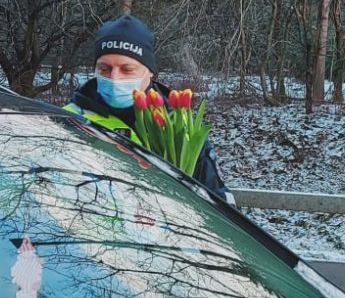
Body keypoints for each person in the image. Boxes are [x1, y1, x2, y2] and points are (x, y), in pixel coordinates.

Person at [65, 15, 229, 200]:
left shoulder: (180, 123)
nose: (114, 78)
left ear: (149, 71)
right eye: (104, 69)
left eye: (127, 70)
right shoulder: (70, 119)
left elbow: (217, 197)